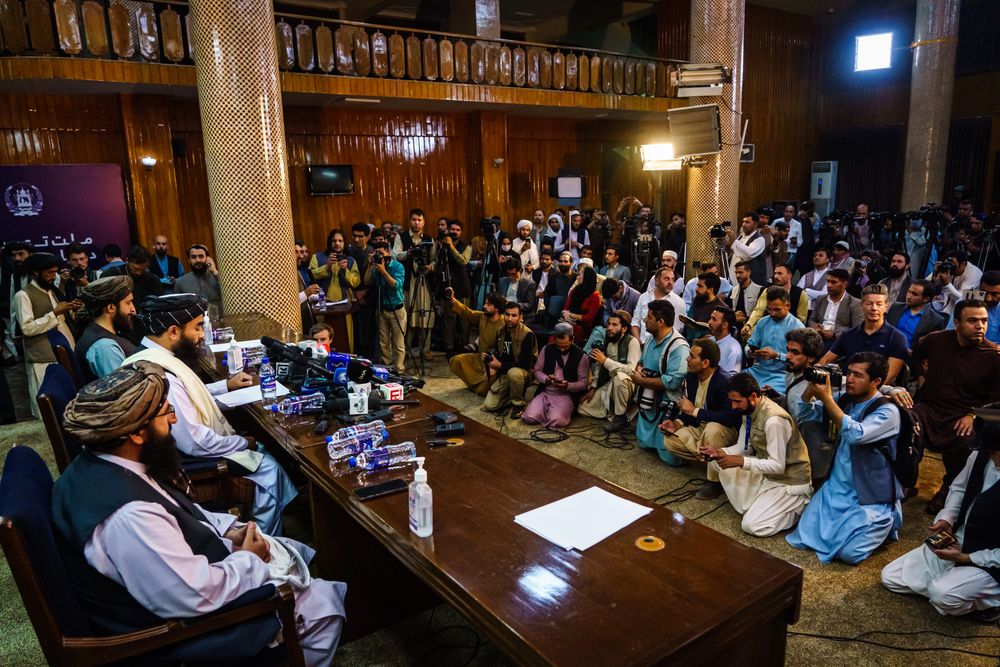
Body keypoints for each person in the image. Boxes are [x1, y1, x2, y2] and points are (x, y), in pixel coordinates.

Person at [55, 363, 345, 665]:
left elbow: (176, 510)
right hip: (178, 637)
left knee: (292, 549)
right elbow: (196, 596)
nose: (175, 418)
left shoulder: (110, 462)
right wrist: (249, 559)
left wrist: (227, 529)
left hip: (179, 586)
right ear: (138, 434)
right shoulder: (129, 515)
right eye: (166, 412)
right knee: (325, 603)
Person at [124, 294, 297, 535]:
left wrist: (226, 386)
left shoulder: (150, 355)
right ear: (174, 331)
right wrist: (242, 442)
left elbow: (190, 397)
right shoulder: (159, 373)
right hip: (182, 461)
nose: (202, 335)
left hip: (176, 450)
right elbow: (195, 441)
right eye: (197, 327)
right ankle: (266, 541)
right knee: (269, 466)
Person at [787, 352, 902, 565]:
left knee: (850, 554)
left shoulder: (888, 411)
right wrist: (811, 391)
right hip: (837, 486)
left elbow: (856, 435)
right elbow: (804, 414)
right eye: (849, 373)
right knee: (805, 535)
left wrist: (828, 398)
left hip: (868, 494)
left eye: (858, 375)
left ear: (876, 382)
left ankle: (885, 522)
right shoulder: (847, 399)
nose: (849, 379)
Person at [881, 430, 1000, 621]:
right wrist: (947, 517)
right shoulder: (981, 454)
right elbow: (960, 487)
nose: (991, 456)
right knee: (890, 577)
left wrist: (968, 558)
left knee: (941, 594)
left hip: (991, 558)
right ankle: (954, 584)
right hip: (961, 539)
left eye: (995, 452)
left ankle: (991, 602)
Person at [912, 300, 1000, 515]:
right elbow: (916, 355)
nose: (980, 326)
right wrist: (923, 377)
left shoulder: (993, 356)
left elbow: (996, 399)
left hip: (964, 415)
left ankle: (948, 489)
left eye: (984, 321)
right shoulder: (935, 340)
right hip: (929, 408)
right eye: (972, 321)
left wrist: (973, 415)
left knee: (966, 438)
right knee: (906, 423)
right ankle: (906, 482)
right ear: (957, 322)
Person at [699, 373, 812, 535]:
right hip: (767, 473)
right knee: (716, 462)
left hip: (788, 481)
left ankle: (797, 508)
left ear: (753, 396)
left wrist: (739, 461)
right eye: (731, 401)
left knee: (751, 526)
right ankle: (765, 505)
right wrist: (720, 452)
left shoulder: (774, 420)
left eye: (737, 401)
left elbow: (778, 466)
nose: (733, 406)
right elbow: (743, 446)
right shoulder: (749, 411)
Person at [659, 338, 740, 486]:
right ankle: (709, 458)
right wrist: (677, 423)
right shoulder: (691, 377)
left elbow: (730, 417)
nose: (687, 359)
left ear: (705, 363)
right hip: (700, 429)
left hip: (723, 431)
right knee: (670, 440)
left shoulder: (724, 382)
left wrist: (695, 411)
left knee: (712, 429)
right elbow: (688, 409)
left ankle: (714, 482)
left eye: (692, 356)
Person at [14, 252, 81, 415]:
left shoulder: (53, 291)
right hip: (42, 360)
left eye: (55, 272)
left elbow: (63, 322)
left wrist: (73, 309)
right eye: (49, 273)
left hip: (64, 355)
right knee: (48, 411)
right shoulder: (23, 295)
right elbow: (27, 328)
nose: (53, 276)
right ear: (36, 272)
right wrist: (54, 313)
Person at [817, 284, 909, 386]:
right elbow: (825, 360)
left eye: (879, 304)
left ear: (886, 307)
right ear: (861, 305)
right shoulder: (848, 335)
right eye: (869, 303)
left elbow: (889, 377)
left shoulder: (897, 338)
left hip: (878, 393)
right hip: (845, 386)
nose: (874, 308)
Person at [632, 300, 690, 454]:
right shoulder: (650, 339)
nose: (644, 320)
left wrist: (642, 381)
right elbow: (642, 361)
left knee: (669, 457)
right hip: (648, 403)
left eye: (649, 317)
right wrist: (639, 369)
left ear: (660, 322)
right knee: (643, 445)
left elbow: (672, 382)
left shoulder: (679, 347)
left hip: (667, 406)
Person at [579, 311, 641, 432]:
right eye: (608, 324)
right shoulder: (609, 340)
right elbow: (598, 366)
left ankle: (619, 417)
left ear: (623, 328)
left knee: (620, 379)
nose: (609, 328)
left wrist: (606, 361)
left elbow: (631, 370)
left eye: (614, 325)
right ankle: (616, 413)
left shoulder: (632, 342)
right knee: (582, 408)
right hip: (610, 385)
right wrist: (593, 388)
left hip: (628, 385)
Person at [522, 322, 589, 428]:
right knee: (529, 417)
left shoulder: (581, 356)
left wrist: (568, 386)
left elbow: (584, 382)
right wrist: (546, 379)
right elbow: (537, 370)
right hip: (546, 391)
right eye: (559, 346)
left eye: (565, 346)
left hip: (565, 395)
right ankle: (546, 411)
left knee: (556, 420)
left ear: (572, 339)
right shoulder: (547, 349)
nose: (562, 349)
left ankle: (553, 413)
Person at [393, 208, 437, 361]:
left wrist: (430, 267)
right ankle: (405, 351)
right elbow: (395, 255)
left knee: (425, 316)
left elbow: (435, 260)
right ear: (409, 221)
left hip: (424, 282)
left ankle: (425, 349)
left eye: (419, 220)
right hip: (408, 282)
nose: (416, 223)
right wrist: (408, 253)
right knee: (408, 316)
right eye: (413, 219)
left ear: (424, 222)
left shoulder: (430, 239)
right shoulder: (401, 237)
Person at [75, 276, 138, 382]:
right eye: (128, 303)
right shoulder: (104, 347)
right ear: (110, 308)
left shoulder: (100, 332)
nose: (133, 309)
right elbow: (123, 390)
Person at [744, 286, 804, 393]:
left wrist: (776, 355)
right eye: (769, 309)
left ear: (788, 306)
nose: (772, 313)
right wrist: (750, 352)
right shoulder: (762, 322)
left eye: (776, 309)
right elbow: (750, 344)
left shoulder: (798, 327)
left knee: (763, 395)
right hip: (757, 370)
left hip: (782, 375)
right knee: (734, 383)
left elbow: (800, 359)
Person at [482, 301, 537, 419]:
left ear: (520, 317)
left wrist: (499, 365)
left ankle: (518, 404)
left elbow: (524, 364)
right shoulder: (501, 331)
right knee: (489, 406)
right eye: (507, 315)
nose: (509, 319)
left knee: (514, 373)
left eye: (514, 315)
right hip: (505, 373)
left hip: (523, 372)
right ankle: (511, 396)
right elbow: (500, 353)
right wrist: (490, 358)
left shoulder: (527, 334)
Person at [446, 291, 506, 395]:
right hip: (478, 359)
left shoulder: (504, 324)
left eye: (488, 304)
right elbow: (467, 312)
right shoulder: (483, 316)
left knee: (482, 390)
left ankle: (481, 386)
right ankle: (476, 385)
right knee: (455, 361)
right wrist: (453, 300)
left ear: (497, 308)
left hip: (491, 364)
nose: (484, 306)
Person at [309, 230, 360, 351]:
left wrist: (345, 271)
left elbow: (356, 282)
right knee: (321, 340)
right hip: (322, 307)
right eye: (334, 241)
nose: (337, 243)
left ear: (344, 243)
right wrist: (327, 266)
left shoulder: (350, 260)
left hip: (344, 308)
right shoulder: (317, 257)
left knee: (346, 342)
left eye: (340, 241)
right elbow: (311, 276)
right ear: (329, 242)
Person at [365, 241, 407, 374]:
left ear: (388, 252)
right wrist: (370, 264)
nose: (380, 256)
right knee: (384, 342)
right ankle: (387, 369)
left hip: (397, 309)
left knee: (398, 343)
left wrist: (383, 271)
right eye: (376, 253)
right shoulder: (376, 267)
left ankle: (399, 370)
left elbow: (396, 285)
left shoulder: (398, 266)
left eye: (381, 253)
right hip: (382, 309)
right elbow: (366, 281)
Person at [807, 269, 862, 351]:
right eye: (828, 281)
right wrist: (815, 326)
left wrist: (835, 334)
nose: (828, 285)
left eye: (833, 282)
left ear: (844, 284)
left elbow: (857, 329)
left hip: (838, 340)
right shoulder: (821, 299)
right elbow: (811, 320)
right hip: (817, 336)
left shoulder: (855, 303)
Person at [743, 264, 808, 334]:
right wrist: (749, 324)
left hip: (790, 332)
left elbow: (801, 319)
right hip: (767, 328)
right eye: (775, 273)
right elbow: (759, 310)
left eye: (780, 273)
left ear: (789, 275)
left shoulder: (801, 294)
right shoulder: (767, 291)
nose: (776, 276)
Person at [887, 279, 946, 351]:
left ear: (926, 299)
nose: (909, 296)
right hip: (886, 348)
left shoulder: (935, 320)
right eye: (909, 291)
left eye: (914, 294)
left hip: (909, 357)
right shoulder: (896, 307)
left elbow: (932, 347)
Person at [633, 266, 685, 344]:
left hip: (663, 346)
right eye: (666, 279)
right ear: (656, 281)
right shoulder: (644, 297)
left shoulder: (678, 302)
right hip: (641, 343)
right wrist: (638, 342)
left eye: (672, 279)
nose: (670, 283)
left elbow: (677, 330)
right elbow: (635, 322)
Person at [347, 222, 377, 359]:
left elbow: (376, 278)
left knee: (369, 332)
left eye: (360, 236)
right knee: (356, 333)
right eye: (354, 236)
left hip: (368, 298)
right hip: (352, 297)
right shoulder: (348, 252)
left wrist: (364, 293)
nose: (356, 239)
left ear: (367, 236)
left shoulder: (372, 251)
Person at [929, 249, 984, 317]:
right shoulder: (947, 268)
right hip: (947, 303)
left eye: (953, 265)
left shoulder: (973, 273)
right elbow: (925, 285)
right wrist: (935, 275)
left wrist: (947, 284)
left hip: (969, 307)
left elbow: (961, 299)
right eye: (947, 264)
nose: (950, 268)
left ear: (963, 264)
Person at [173, 244, 223, 317]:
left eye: (201, 256)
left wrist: (215, 272)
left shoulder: (218, 277)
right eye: (193, 257)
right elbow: (176, 309)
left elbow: (230, 295)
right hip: (193, 324)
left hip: (218, 321)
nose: (198, 260)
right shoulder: (180, 282)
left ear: (207, 258)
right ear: (189, 260)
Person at [725, 212, 768, 285]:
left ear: (755, 224)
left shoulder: (759, 239)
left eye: (747, 222)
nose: (743, 224)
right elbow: (735, 252)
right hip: (736, 279)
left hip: (753, 281)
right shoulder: (741, 236)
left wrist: (733, 240)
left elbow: (748, 253)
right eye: (743, 222)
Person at [562, 266, 602, 343]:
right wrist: (565, 315)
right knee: (558, 332)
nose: (577, 277)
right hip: (568, 321)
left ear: (586, 278)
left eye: (580, 275)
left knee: (564, 333)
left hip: (583, 327)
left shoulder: (595, 296)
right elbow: (565, 307)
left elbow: (589, 318)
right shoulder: (574, 290)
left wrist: (571, 315)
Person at [727, 261, 763, 329]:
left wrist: (745, 319)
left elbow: (761, 313)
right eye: (736, 273)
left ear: (748, 272)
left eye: (740, 272)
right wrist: (734, 314)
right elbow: (727, 309)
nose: (737, 276)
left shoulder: (759, 290)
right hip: (734, 327)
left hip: (752, 327)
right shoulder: (733, 290)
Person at [709, 305, 742, 374]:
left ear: (724, 325)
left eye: (714, 319)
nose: (709, 322)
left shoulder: (734, 349)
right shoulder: (709, 341)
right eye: (711, 318)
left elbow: (729, 378)